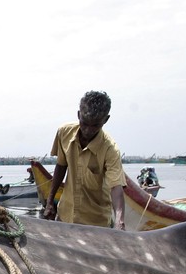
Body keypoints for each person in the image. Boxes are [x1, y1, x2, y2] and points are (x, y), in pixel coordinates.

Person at [41, 91, 126, 229]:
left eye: (95, 125)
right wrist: (50, 202)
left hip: (96, 222)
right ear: (78, 115)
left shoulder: (110, 149)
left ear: (106, 120)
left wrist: (119, 220)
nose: (88, 130)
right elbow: (61, 166)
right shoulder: (64, 133)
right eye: (84, 123)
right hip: (65, 216)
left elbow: (116, 186)